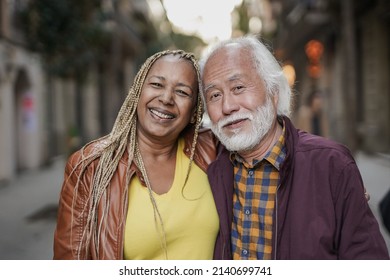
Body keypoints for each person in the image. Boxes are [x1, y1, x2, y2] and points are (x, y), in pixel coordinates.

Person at [199, 35, 390, 260]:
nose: (227, 106)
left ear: (273, 91)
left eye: (238, 87)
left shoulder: (331, 165)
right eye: (214, 95)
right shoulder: (207, 165)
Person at [53, 50, 220, 260]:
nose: (166, 98)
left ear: (195, 110)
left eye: (182, 92)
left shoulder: (213, 150)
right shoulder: (91, 166)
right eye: (157, 85)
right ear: (138, 91)